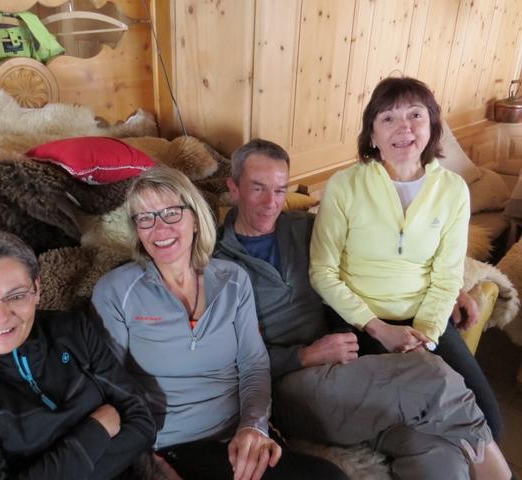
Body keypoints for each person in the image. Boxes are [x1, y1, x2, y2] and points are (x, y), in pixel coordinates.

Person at [215, 138, 512, 480]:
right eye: (258, 188)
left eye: (280, 190)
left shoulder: (303, 227)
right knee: (432, 374)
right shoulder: (217, 266)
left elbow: (376, 259)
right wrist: (304, 355)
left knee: (434, 444)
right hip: (286, 389)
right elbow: (227, 360)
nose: (271, 203)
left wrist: (451, 288)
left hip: (347, 371)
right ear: (233, 188)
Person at [92, 166, 347, 480]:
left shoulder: (233, 279)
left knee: (331, 477)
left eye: (171, 213)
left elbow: (253, 363)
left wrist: (253, 426)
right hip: (171, 445)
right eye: (145, 218)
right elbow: (109, 385)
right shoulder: (116, 290)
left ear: (195, 219)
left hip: (239, 435)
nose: (159, 228)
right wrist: (143, 459)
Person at [308, 76, 502, 439]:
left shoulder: (453, 190)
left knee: (488, 421)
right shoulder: (344, 186)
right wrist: (378, 328)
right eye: (388, 118)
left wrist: (424, 338)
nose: (404, 128)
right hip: (358, 320)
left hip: (424, 319)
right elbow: (322, 271)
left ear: (432, 126)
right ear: (372, 136)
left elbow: (447, 276)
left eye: (415, 115)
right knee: (404, 424)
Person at [0, 230, 156, 479]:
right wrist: (97, 429)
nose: (0, 317)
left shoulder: (73, 329)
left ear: (37, 289)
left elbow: (142, 421)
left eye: (16, 296)